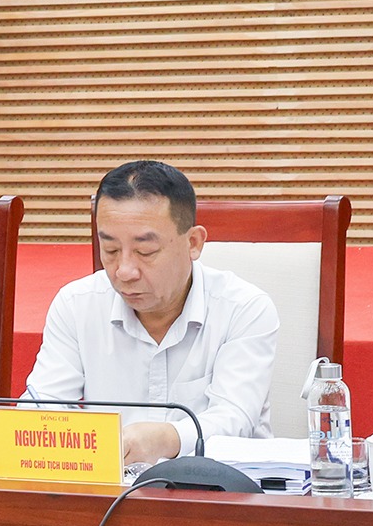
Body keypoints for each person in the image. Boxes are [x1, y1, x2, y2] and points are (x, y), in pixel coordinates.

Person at [25, 160, 278, 464]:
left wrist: (164, 439)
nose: (124, 271)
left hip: (219, 487)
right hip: (109, 487)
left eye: (145, 252)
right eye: (110, 250)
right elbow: (41, 408)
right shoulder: (77, 304)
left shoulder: (244, 309)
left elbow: (235, 420)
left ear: (193, 243)